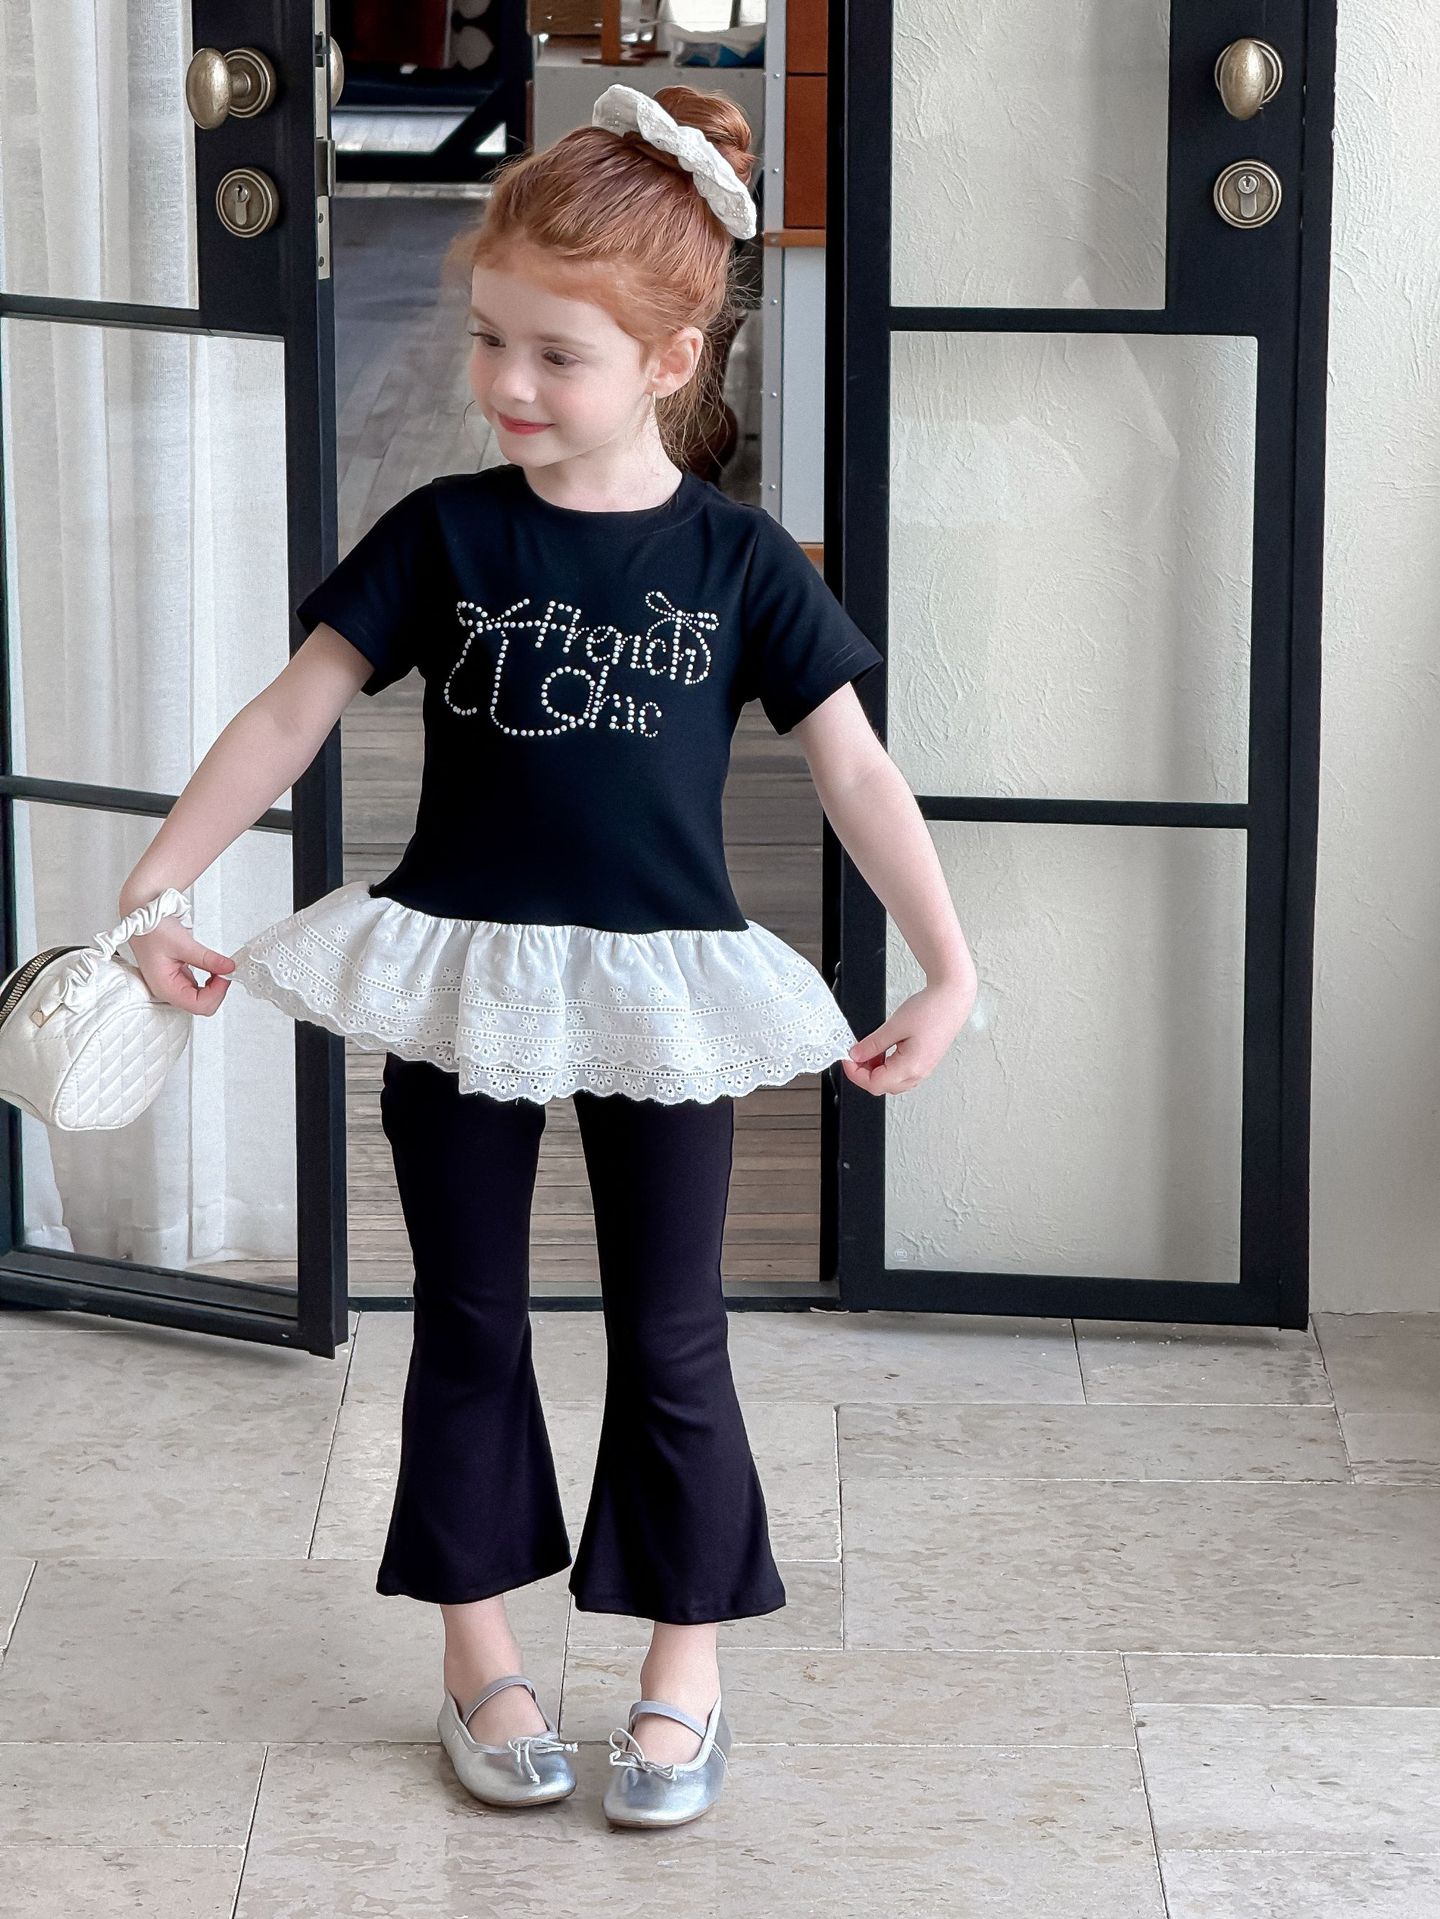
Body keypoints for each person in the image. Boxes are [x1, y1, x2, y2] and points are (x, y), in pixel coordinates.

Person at [116, 83, 977, 1829]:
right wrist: (157, 886)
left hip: (665, 993)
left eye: (556, 356)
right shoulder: (446, 531)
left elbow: (857, 771)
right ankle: (478, 1652)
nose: (506, 383)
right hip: (463, 982)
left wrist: (949, 967)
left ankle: (684, 1662)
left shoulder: (739, 561)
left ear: (669, 360)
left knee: (674, 1332)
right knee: (468, 1319)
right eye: (489, 339)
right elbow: (289, 715)